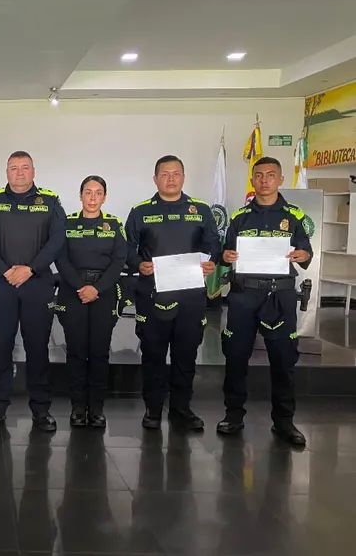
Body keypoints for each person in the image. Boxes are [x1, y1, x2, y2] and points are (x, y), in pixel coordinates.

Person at [217, 157, 312, 446]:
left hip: (279, 296)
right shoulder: (239, 217)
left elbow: (306, 252)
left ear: (280, 179)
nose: (264, 180)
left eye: (271, 175)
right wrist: (227, 257)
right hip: (244, 295)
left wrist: (302, 256)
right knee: (235, 357)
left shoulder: (294, 215)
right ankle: (233, 415)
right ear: (253, 180)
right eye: (258, 175)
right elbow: (224, 254)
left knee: (283, 360)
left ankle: (284, 422)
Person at [124, 155, 221, 431]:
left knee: (186, 354)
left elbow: (213, 244)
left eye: (175, 173)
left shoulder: (200, 210)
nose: (170, 178)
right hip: (153, 294)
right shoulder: (140, 211)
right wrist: (136, 264)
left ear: (183, 177)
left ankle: (182, 408)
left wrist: (211, 261)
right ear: (155, 179)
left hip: (190, 295)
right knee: (153, 354)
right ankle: (153, 409)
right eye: (164, 174)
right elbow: (127, 248)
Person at [0, 151, 66, 431]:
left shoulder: (50, 201)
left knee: (37, 348)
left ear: (33, 171)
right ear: (6, 172)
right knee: (0, 348)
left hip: (37, 284)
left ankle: (41, 410)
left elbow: (57, 240)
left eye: (25, 168)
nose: (19, 173)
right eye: (14, 168)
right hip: (0, 285)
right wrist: (5, 271)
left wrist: (30, 269)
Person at [55, 175, 127, 429]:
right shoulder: (67, 224)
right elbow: (61, 259)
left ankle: (96, 408)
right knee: (75, 352)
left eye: (98, 193)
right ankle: (77, 407)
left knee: (99, 352)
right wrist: (80, 287)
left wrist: (96, 288)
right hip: (73, 292)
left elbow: (119, 261)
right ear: (81, 195)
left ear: (104, 197)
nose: (93, 197)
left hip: (103, 293)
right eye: (88, 192)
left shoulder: (114, 224)